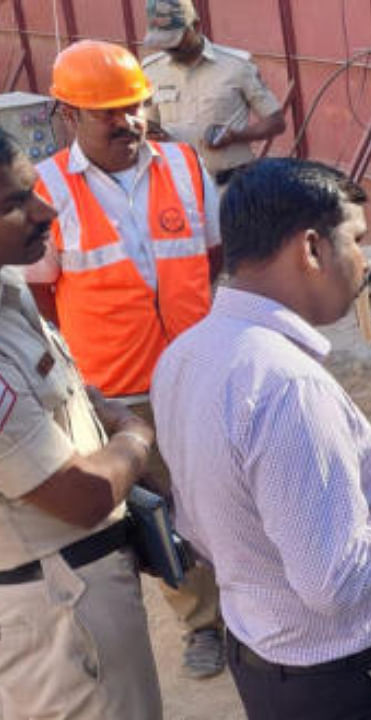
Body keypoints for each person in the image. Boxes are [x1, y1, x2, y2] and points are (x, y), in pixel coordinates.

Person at [152, 158, 371, 720]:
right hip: (332, 677)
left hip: (260, 655)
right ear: (312, 249)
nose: (365, 263)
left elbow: (196, 527)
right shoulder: (287, 386)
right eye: (357, 241)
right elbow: (334, 580)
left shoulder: (185, 354)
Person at [24, 39, 228, 679]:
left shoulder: (185, 167)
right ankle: (201, 621)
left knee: (223, 491)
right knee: (162, 505)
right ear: (68, 115)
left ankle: (250, 602)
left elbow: (213, 258)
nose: (129, 121)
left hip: (198, 371)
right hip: (120, 388)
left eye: (134, 105)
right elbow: (39, 296)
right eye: (107, 112)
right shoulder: (45, 190)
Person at [0, 129, 162, 719]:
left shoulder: (8, 285)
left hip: (77, 583)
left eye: (34, 191)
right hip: (57, 607)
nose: (45, 210)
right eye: (14, 204)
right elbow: (81, 495)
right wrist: (135, 438)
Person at [141, 0, 286, 187]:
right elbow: (150, 125)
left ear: (195, 26)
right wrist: (151, 132)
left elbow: (276, 123)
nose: (170, 48)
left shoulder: (237, 66)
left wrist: (235, 136)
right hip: (178, 186)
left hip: (231, 186)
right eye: (162, 42)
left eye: (175, 40)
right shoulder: (151, 70)